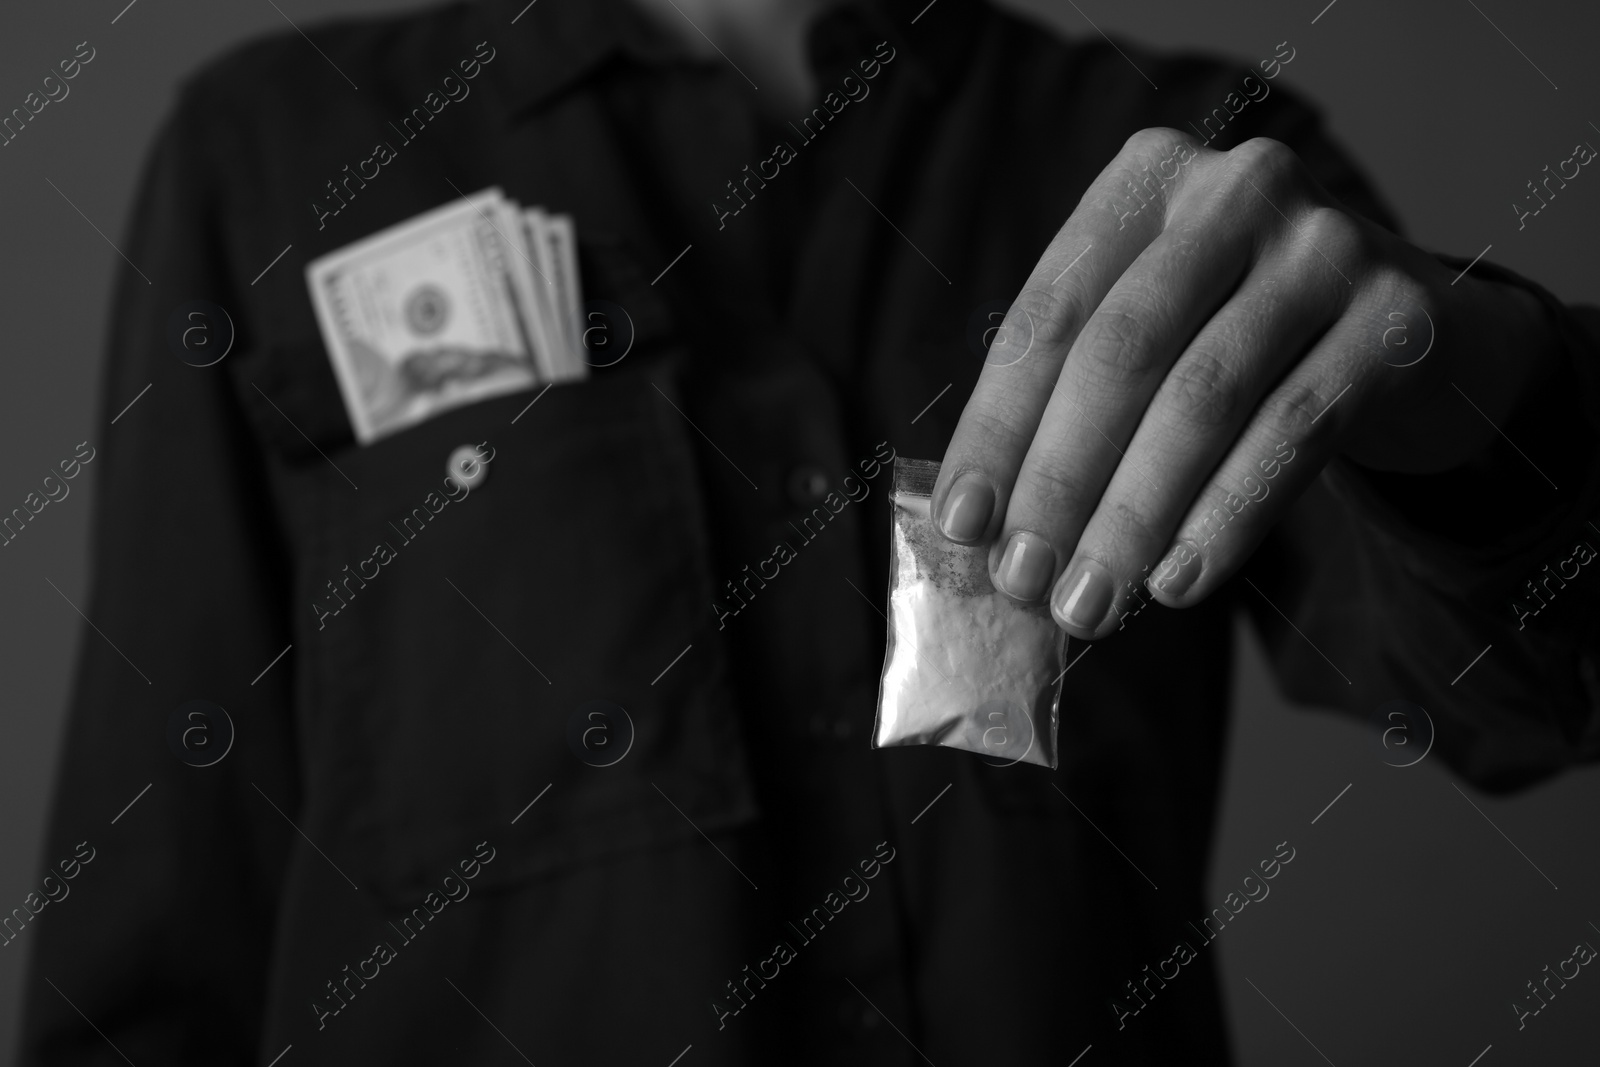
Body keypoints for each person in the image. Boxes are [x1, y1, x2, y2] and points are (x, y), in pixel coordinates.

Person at [19, 0, 1600, 1063]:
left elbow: (1521, 698)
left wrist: (1472, 369)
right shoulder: (280, 155)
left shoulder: (1194, 159)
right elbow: (161, 918)